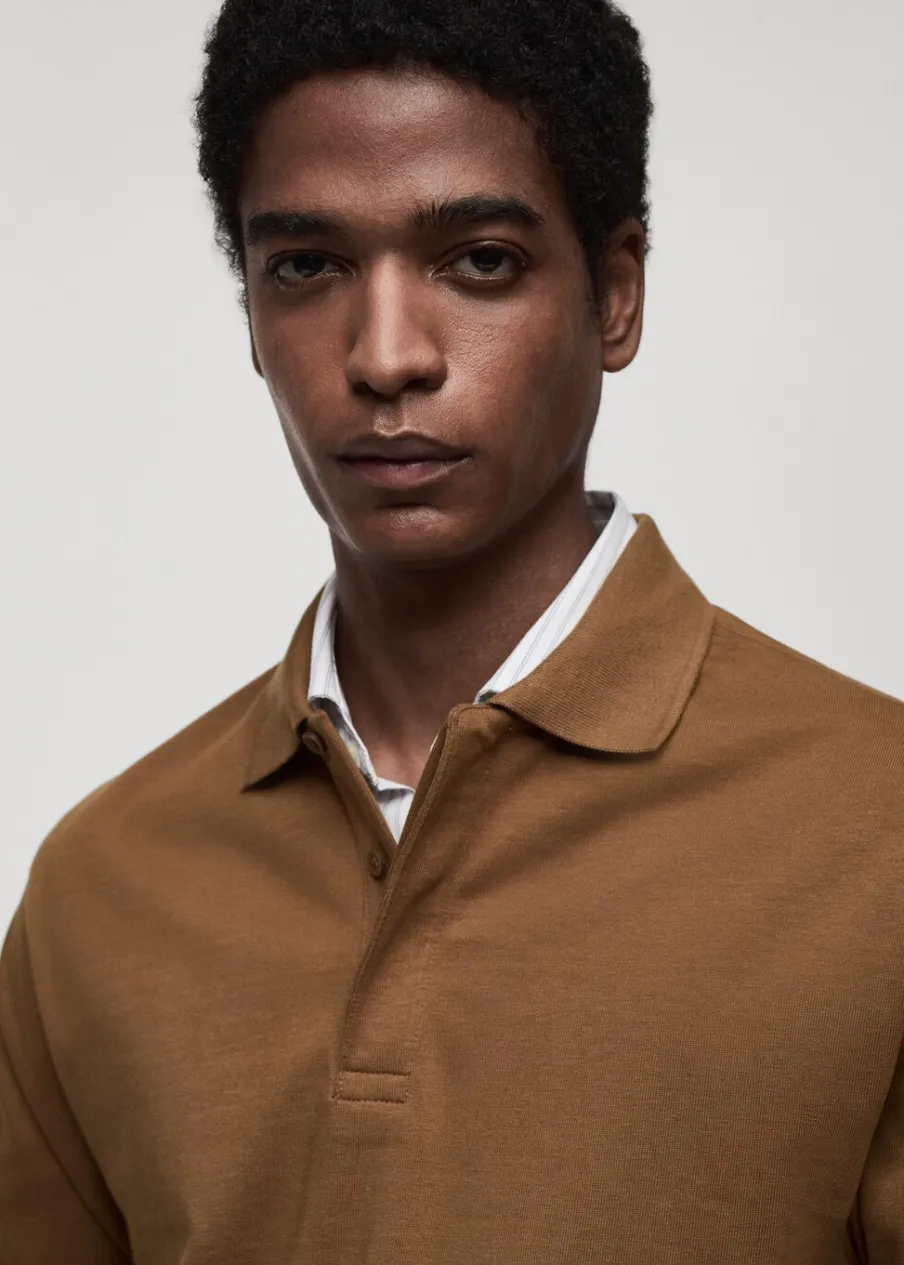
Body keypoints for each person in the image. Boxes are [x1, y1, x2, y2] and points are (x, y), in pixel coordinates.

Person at [1, 0, 901, 1260]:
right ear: (249, 312)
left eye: (478, 259)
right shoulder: (99, 888)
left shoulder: (878, 829)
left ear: (616, 294)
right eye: (305, 266)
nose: (385, 356)